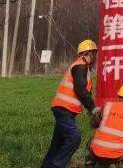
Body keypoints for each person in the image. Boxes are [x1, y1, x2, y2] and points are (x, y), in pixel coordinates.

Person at [42, 39, 98, 168]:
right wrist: (93, 108)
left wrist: (90, 107)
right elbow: (81, 91)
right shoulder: (80, 66)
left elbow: (83, 91)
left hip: (64, 109)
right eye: (94, 53)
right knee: (74, 139)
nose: (95, 56)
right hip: (64, 109)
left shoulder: (81, 67)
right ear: (88, 53)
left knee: (57, 144)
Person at [86, 81, 123, 166]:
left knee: (90, 141)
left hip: (97, 151)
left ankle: (90, 162)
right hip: (117, 154)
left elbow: (94, 124)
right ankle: (115, 163)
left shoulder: (108, 106)